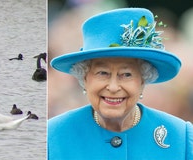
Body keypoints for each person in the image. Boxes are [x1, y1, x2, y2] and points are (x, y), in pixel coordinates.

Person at [48, 8, 193, 160]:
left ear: (143, 79)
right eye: (102, 73)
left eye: (126, 75)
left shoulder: (181, 137)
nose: (113, 87)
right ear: (84, 78)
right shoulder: (53, 135)